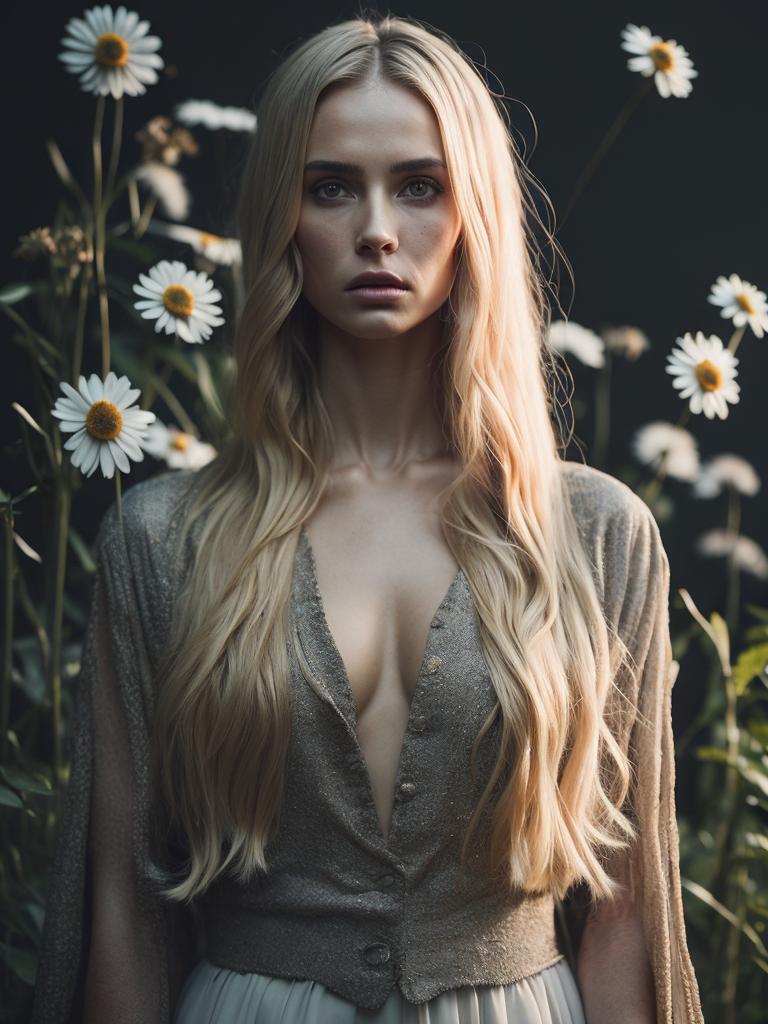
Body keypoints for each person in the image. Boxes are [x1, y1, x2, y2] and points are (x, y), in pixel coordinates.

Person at [32, 15, 703, 1024]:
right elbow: (123, 913)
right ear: (280, 216)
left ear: (474, 210)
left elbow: (623, 921)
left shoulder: (595, 533)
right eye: (332, 185)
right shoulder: (163, 539)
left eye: (420, 185)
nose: (378, 229)